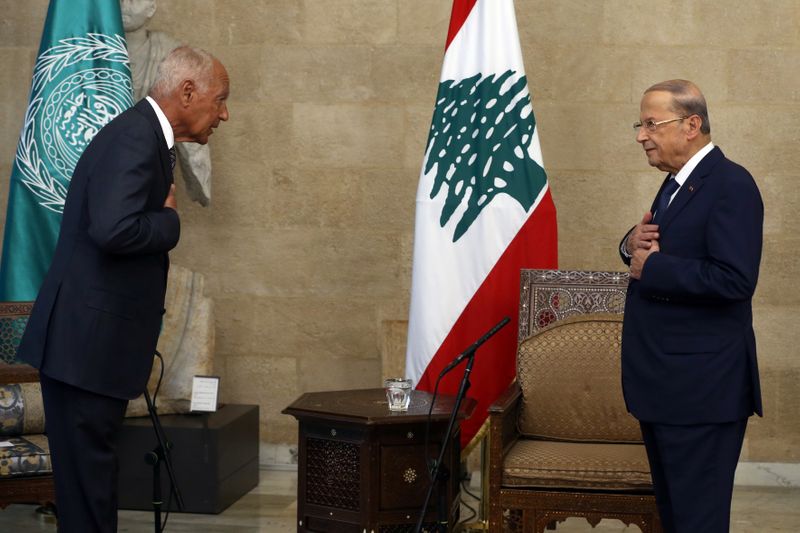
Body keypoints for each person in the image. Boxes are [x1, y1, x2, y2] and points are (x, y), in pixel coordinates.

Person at [16, 46, 229, 533]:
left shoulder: (145, 135)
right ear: (187, 92)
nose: (224, 113)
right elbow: (114, 230)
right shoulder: (136, 137)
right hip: (85, 349)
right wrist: (170, 222)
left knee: (89, 486)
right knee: (87, 489)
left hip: (88, 347)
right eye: (219, 99)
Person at [619, 79, 763, 533]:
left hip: (702, 391)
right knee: (676, 516)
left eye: (650, 124)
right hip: (669, 388)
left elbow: (735, 279)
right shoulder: (676, 184)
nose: (641, 135)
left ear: (691, 125)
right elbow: (663, 250)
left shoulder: (731, 184)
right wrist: (629, 245)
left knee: (697, 520)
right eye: (640, 125)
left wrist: (652, 268)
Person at [121, 0, 214, 206]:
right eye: (120, 0)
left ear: (151, 8)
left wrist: (198, 175)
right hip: (105, 159)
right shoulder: (93, 52)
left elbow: (187, 111)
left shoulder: (171, 53)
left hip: (151, 162)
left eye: (134, 1)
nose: (125, 6)